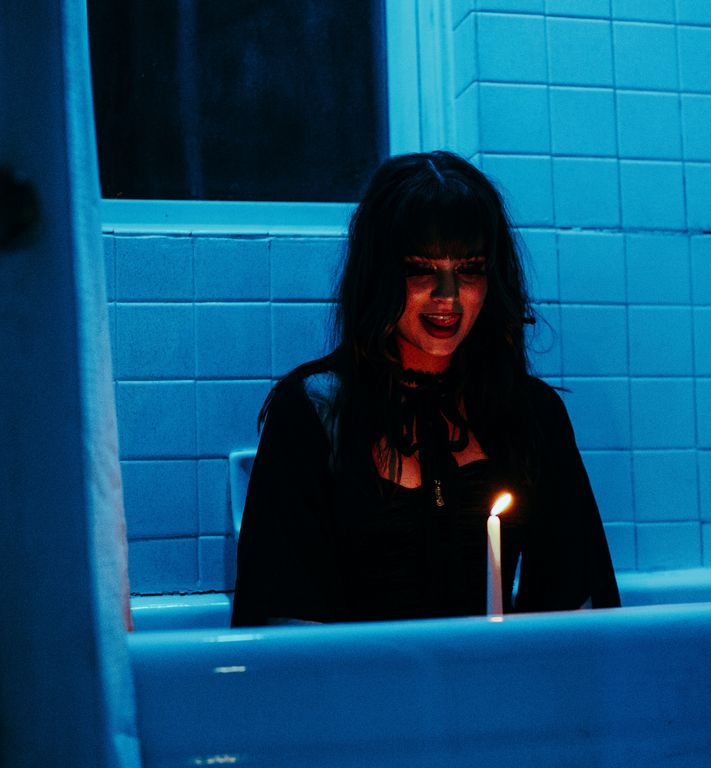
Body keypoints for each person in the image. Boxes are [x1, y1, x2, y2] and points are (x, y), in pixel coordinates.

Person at [230, 151, 619, 626]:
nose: (449, 295)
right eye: (421, 267)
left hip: (493, 689)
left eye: (470, 269)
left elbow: (578, 604)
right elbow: (280, 619)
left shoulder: (531, 413)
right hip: (356, 692)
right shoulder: (313, 410)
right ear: (380, 273)